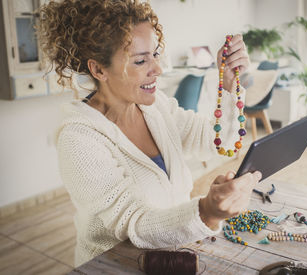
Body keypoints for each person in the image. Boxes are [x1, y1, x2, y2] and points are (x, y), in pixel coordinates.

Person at [37, 0, 262, 267]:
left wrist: (229, 85)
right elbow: (135, 224)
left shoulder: (156, 108)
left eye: (155, 54)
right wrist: (206, 212)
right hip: (114, 267)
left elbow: (220, 142)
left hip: (174, 258)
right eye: (141, 60)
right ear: (98, 69)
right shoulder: (79, 139)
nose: (157, 69)